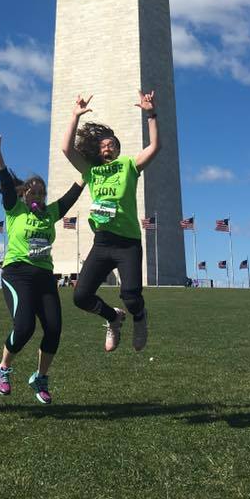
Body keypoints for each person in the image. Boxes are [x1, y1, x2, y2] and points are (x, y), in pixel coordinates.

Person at [0, 129, 86, 405]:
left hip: (44, 277)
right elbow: (5, 182)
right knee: (25, 326)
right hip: (17, 274)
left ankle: (40, 378)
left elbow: (73, 193)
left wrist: (88, 169)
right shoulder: (14, 210)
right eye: (33, 190)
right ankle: (2, 369)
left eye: (42, 191)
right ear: (25, 193)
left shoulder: (50, 212)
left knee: (53, 328)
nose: (38, 194)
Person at [62, 90, 160, 353]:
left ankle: (140, 317)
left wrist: (151, 114)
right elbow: (66, 149)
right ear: (99, 150)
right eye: (103, 145)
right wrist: (75, 116)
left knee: (130, 295)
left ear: (118, 148)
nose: (107, 147)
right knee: (81, 297)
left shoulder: (129, 165)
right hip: (102, 242)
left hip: (127, 243)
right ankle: (113, 318)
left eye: (112, 144)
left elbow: (154, 147)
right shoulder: (92, 172)